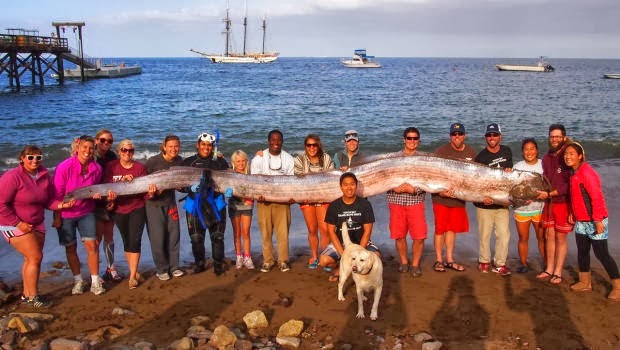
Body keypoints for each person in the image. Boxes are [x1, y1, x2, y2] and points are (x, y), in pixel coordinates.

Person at [53, 135, 112, 296]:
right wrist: (57, 217)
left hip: (86, 211)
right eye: (84, 147)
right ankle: (78, 280)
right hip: (66, 214)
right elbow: (57, 195)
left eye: (91, 148)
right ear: (77, 148)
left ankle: (94, 281)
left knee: (92, 246)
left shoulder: (97, 168)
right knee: (71, 247)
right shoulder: (64, 167)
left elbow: (95, 188)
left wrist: (97, 195)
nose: (87, 151)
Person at [0, 146, 56, 307]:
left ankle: (26, 295)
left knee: (30, 259)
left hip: (36, 223)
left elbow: (48, 201)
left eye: (38, 157)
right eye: (30, 157)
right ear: (22, 159)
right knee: (35, 257)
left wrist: (64, 205)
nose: (34, 161)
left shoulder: (44, 176)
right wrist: (18, 224)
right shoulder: (12, 177)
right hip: (13, 224)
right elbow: (1, 204)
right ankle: (33, 298)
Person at [564, 142, 619, 301]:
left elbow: (596, 198)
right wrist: (572, 213)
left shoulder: (587, 173)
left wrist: (597, 221)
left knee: (602, 254)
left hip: (596, 220)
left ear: (580, 156)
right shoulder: (573, 173)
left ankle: (618, 286)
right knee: (582, 252)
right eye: (566, 153)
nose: (568, 156)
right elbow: (576, 197)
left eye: (572, 153)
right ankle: (585, 282)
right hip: (581, 221)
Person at [103, 140, 154, 289]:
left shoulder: (139, 168)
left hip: (137, 208)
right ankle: (135, 270)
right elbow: (106, 185)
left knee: (135, 240)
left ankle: (132, 277)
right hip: (119, 209)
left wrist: (150, 194)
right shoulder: (111, 167)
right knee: (127, 241)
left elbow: (145, 192)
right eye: (124, 150)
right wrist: (113, 192)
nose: (127, 153)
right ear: (119, 152)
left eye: (130, 151)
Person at [431, 122, 476, 272]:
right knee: (440, 230)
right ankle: (438, 260)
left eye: (460, 134)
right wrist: (439, 192)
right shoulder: (441, 151)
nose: (457, 137)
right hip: (441, 198)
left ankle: (449, 259)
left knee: (452, 230)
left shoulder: (471, 152)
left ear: (464, 135)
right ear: (450, 136)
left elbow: (475, 177)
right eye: (454, 134)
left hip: (458, 199)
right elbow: (431, 174)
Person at [319, 172, 380, 282]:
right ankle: (340, 268)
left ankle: (359, 271)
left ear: (356, 186)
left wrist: (359, 253)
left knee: (376, 256)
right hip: (342, 243)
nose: (349, 187)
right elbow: (331, 232)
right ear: (341, 186)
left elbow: (367, 231)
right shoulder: (334, 206)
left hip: (361, 243)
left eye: (352, 184)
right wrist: (344, 256)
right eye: (345, 184)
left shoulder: (365, 205)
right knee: (324, 260)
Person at [182, 132, 229, 276]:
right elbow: (178, 184)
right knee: (196, 238)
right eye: (203, 144)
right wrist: (188, 188)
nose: (206, 147)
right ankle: (199, 264)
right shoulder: (188, 162)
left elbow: (229, 180)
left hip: (216, 203)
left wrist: (229, 190)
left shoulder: (220, 162)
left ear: (212, 147)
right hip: (194, 204)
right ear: (198, 145)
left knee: (217, 237)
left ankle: (218, 265)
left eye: (209, 145)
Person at [250, 129, 295, 272]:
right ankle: (268, 260)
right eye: (273, 140)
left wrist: (290, 197)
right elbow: (253, 180)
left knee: (283, 233)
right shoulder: (258, 158)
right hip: (264, 201)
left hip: (283, 202)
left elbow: (292, 181)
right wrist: (259, 194)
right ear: (268, 141)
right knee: (266, 233)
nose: (276, 142)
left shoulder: (288, 158)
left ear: (282, 141)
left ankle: (283, 260)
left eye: (279, 140)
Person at [386, 127, 427, 278]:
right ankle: (404, 261)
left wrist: (414, 189)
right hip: (396, 201)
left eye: (415, 138)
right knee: (399, 235)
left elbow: (429, 179)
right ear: (404, 140)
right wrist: (394, 187)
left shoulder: (425, 159)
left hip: (416, 201)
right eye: (409, 138)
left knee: (419, 236)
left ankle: (415, 264)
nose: (412, 141)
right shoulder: (393, 158)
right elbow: (383, 177)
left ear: (419, 141)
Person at [474, 123, 513, 276]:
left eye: (495, 135)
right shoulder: (481, 157)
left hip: (502, 203)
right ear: (485, 138)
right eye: (489, 135)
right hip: (484, 203)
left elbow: (508, 178)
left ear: (500, 136)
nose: (492, 138)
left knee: (504, 235)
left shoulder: (507, 151)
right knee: (485, 235)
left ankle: (500, 264)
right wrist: (484, 197)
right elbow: (476, 181)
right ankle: (484, 262)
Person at [536, 124, 573, 284]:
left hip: (563, 202)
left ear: (564, 137)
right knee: (548, 235)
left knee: (560, 238)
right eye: (552, 136)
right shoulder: (546, 158)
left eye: (558, 136)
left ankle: (558, 272)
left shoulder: (568, 156)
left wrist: (550, 194)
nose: (555, 139)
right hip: (549, 203)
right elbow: (545, 181)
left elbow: (569, 185)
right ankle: (549, 268)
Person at [145, 134, 184, 281]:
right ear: (164, 147)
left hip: (170, 202)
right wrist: (152, 193)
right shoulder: (152, 162)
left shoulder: (179, 161)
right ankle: (162, 269)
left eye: (176, 146)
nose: (174, 149)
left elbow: (182, 182)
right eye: (171, 146)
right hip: (153, 205)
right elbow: (142, 184)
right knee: (158, 238)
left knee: (174, 235)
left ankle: (174, 267)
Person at [294, 134, 335, 269]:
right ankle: (314, 256)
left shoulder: (326, 158)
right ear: (305, 147)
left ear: (319, 145)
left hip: (323, 197)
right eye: (309, 145)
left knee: (325, 230)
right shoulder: (300, 159)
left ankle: (325, 256)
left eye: (314, 145)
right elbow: (298, 180)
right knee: (312, 229)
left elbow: (331, 178)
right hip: (307, 197)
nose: (312, 148)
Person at [512, 138, 545, 273]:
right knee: (523, 238)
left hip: (540, 209)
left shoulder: (544, 165)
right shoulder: (517, 167)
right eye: (526, 149)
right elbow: (512, 189)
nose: (529, 152)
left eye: (532, 149)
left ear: (536, 151)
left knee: (542, 238)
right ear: (522, 152)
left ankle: (547, 264)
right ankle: (524, 263)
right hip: (522, 209)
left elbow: (549, 186)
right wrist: (521, 198)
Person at [93, 129, 122, 282]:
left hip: (109, 199)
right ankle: (95, 273)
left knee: (109, 235)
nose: (106, 143)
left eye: (109, 141)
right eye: (103, 140)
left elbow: (115, 178)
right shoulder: (91, 155)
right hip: (94, 201)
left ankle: (111, 268)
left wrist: (112, 200)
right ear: (96, 140)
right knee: (96, 237)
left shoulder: (112, 156)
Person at [228, 150, 255, 270]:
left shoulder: (250, 174)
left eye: (243, 160)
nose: (241, 163)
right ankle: (239, 256)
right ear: (234, 162)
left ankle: (247, 257)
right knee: (237, 233)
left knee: (246, 233)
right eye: (238, 161)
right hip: (234, 206)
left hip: (247, 206)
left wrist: (259, 154)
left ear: (246, 161)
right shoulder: (229, 173)